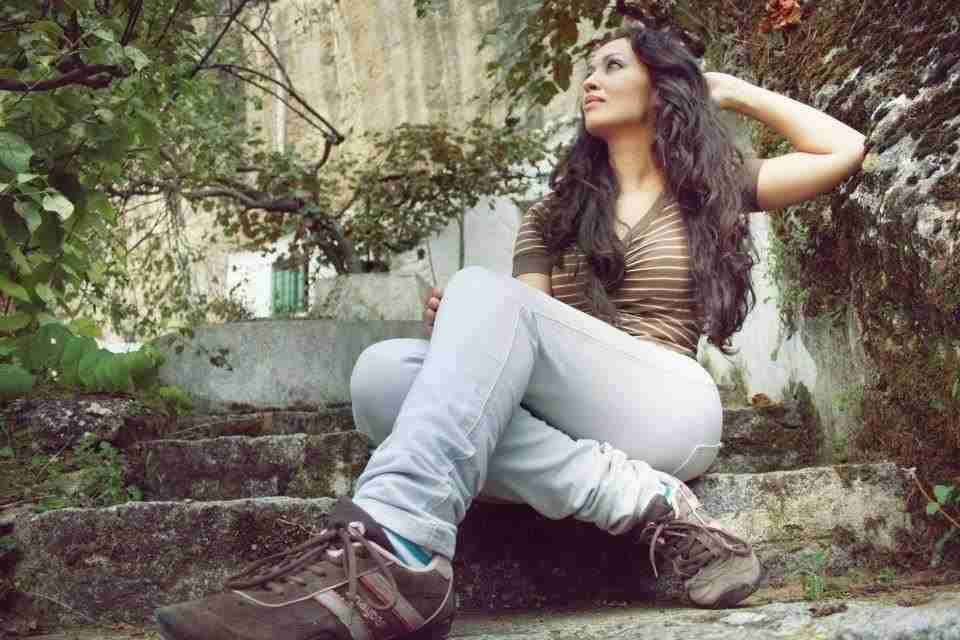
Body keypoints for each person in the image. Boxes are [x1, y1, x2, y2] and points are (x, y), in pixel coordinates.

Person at [155, 24, 866, 640]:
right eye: (589, 69)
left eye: (613, 65)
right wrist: (469, 327)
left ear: (662, 87)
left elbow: (842, 149)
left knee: (480, 295)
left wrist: (730, 91)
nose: (591, 80)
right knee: (379, 378)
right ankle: (643, 500)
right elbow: (525, 339)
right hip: (580, 421)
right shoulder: (551, 216)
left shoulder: (710, 188)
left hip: (669, 405)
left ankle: (398, 543)